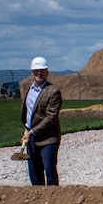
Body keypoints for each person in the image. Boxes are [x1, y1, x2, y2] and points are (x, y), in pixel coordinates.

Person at [20, 56, 63, 186]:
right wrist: (27, 128)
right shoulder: (29, 89)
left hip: (48, 138)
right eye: (36, 70)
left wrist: (32, 131)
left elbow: (51, 117)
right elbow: (28, 111)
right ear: (32, 72)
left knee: (49, 168)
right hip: (31, 137)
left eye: (42, 70)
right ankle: (38, 199)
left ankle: (53, 198)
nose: (39, 73)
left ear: (47, 72)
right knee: (34, 171)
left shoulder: (53, 91)